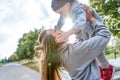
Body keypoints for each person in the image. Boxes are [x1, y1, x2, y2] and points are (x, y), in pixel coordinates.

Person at [35, 5, 111, 80]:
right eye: (55, 31)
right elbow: (105, 35)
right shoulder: (73, 52)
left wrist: (78, 22)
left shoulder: (64, 54)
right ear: (56, 41)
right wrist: (92, 19)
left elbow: (82, 40)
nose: (58, 29)